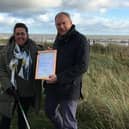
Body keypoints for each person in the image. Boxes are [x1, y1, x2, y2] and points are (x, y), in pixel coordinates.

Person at [43, 12, 89, 129]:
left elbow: (82, 66)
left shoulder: (81, 40)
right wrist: (51, 53)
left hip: (69, 88)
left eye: (64, 23)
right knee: (49, 111)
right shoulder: (58, 38)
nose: (61, 27)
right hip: (53, 86)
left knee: (69, 121)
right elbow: (61, 57)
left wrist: (59, 77)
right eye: (58, 24)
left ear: (71, 23)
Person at [0, 23, 42, 129]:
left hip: (27, 92)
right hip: (10, 91)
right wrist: (8, 86)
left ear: (27, 34)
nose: (20, 36)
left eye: (22, 33)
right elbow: (2, 70)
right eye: (17, 34)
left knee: (23, 120)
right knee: (5, 120)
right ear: (14, 35)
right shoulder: (5, 51)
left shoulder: (35, 50)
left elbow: (42, 67)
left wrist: (49, 55)